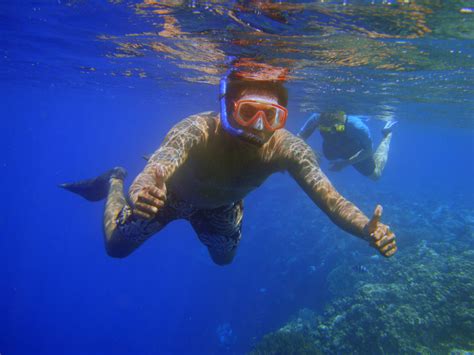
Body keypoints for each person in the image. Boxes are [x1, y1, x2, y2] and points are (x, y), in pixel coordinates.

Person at [61, 59, 397, 266]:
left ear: (284, 118)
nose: (260, 127)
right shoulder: (199, 129)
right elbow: (159, 164)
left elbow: (331, 200)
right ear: (227, 109)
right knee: (115, 248)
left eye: (272, 117)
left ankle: (220, 209)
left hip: (222, 206)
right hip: (166, 198)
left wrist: (364, 229)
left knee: (224, 260)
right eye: (248, 113)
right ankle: (113, 180)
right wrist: (141, 188)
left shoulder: (288, 148)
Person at [298, 111, 397, 179]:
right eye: (325, 128)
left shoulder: (357, 126)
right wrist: (309, 151)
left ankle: (387, 135)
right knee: (329, 155)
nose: (331, 132)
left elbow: (368, 151)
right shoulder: (317, 118)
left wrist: (344, 164)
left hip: (354, 150)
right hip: (332, 149)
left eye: (335, 127)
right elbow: (299, 138)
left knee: (376, 175)